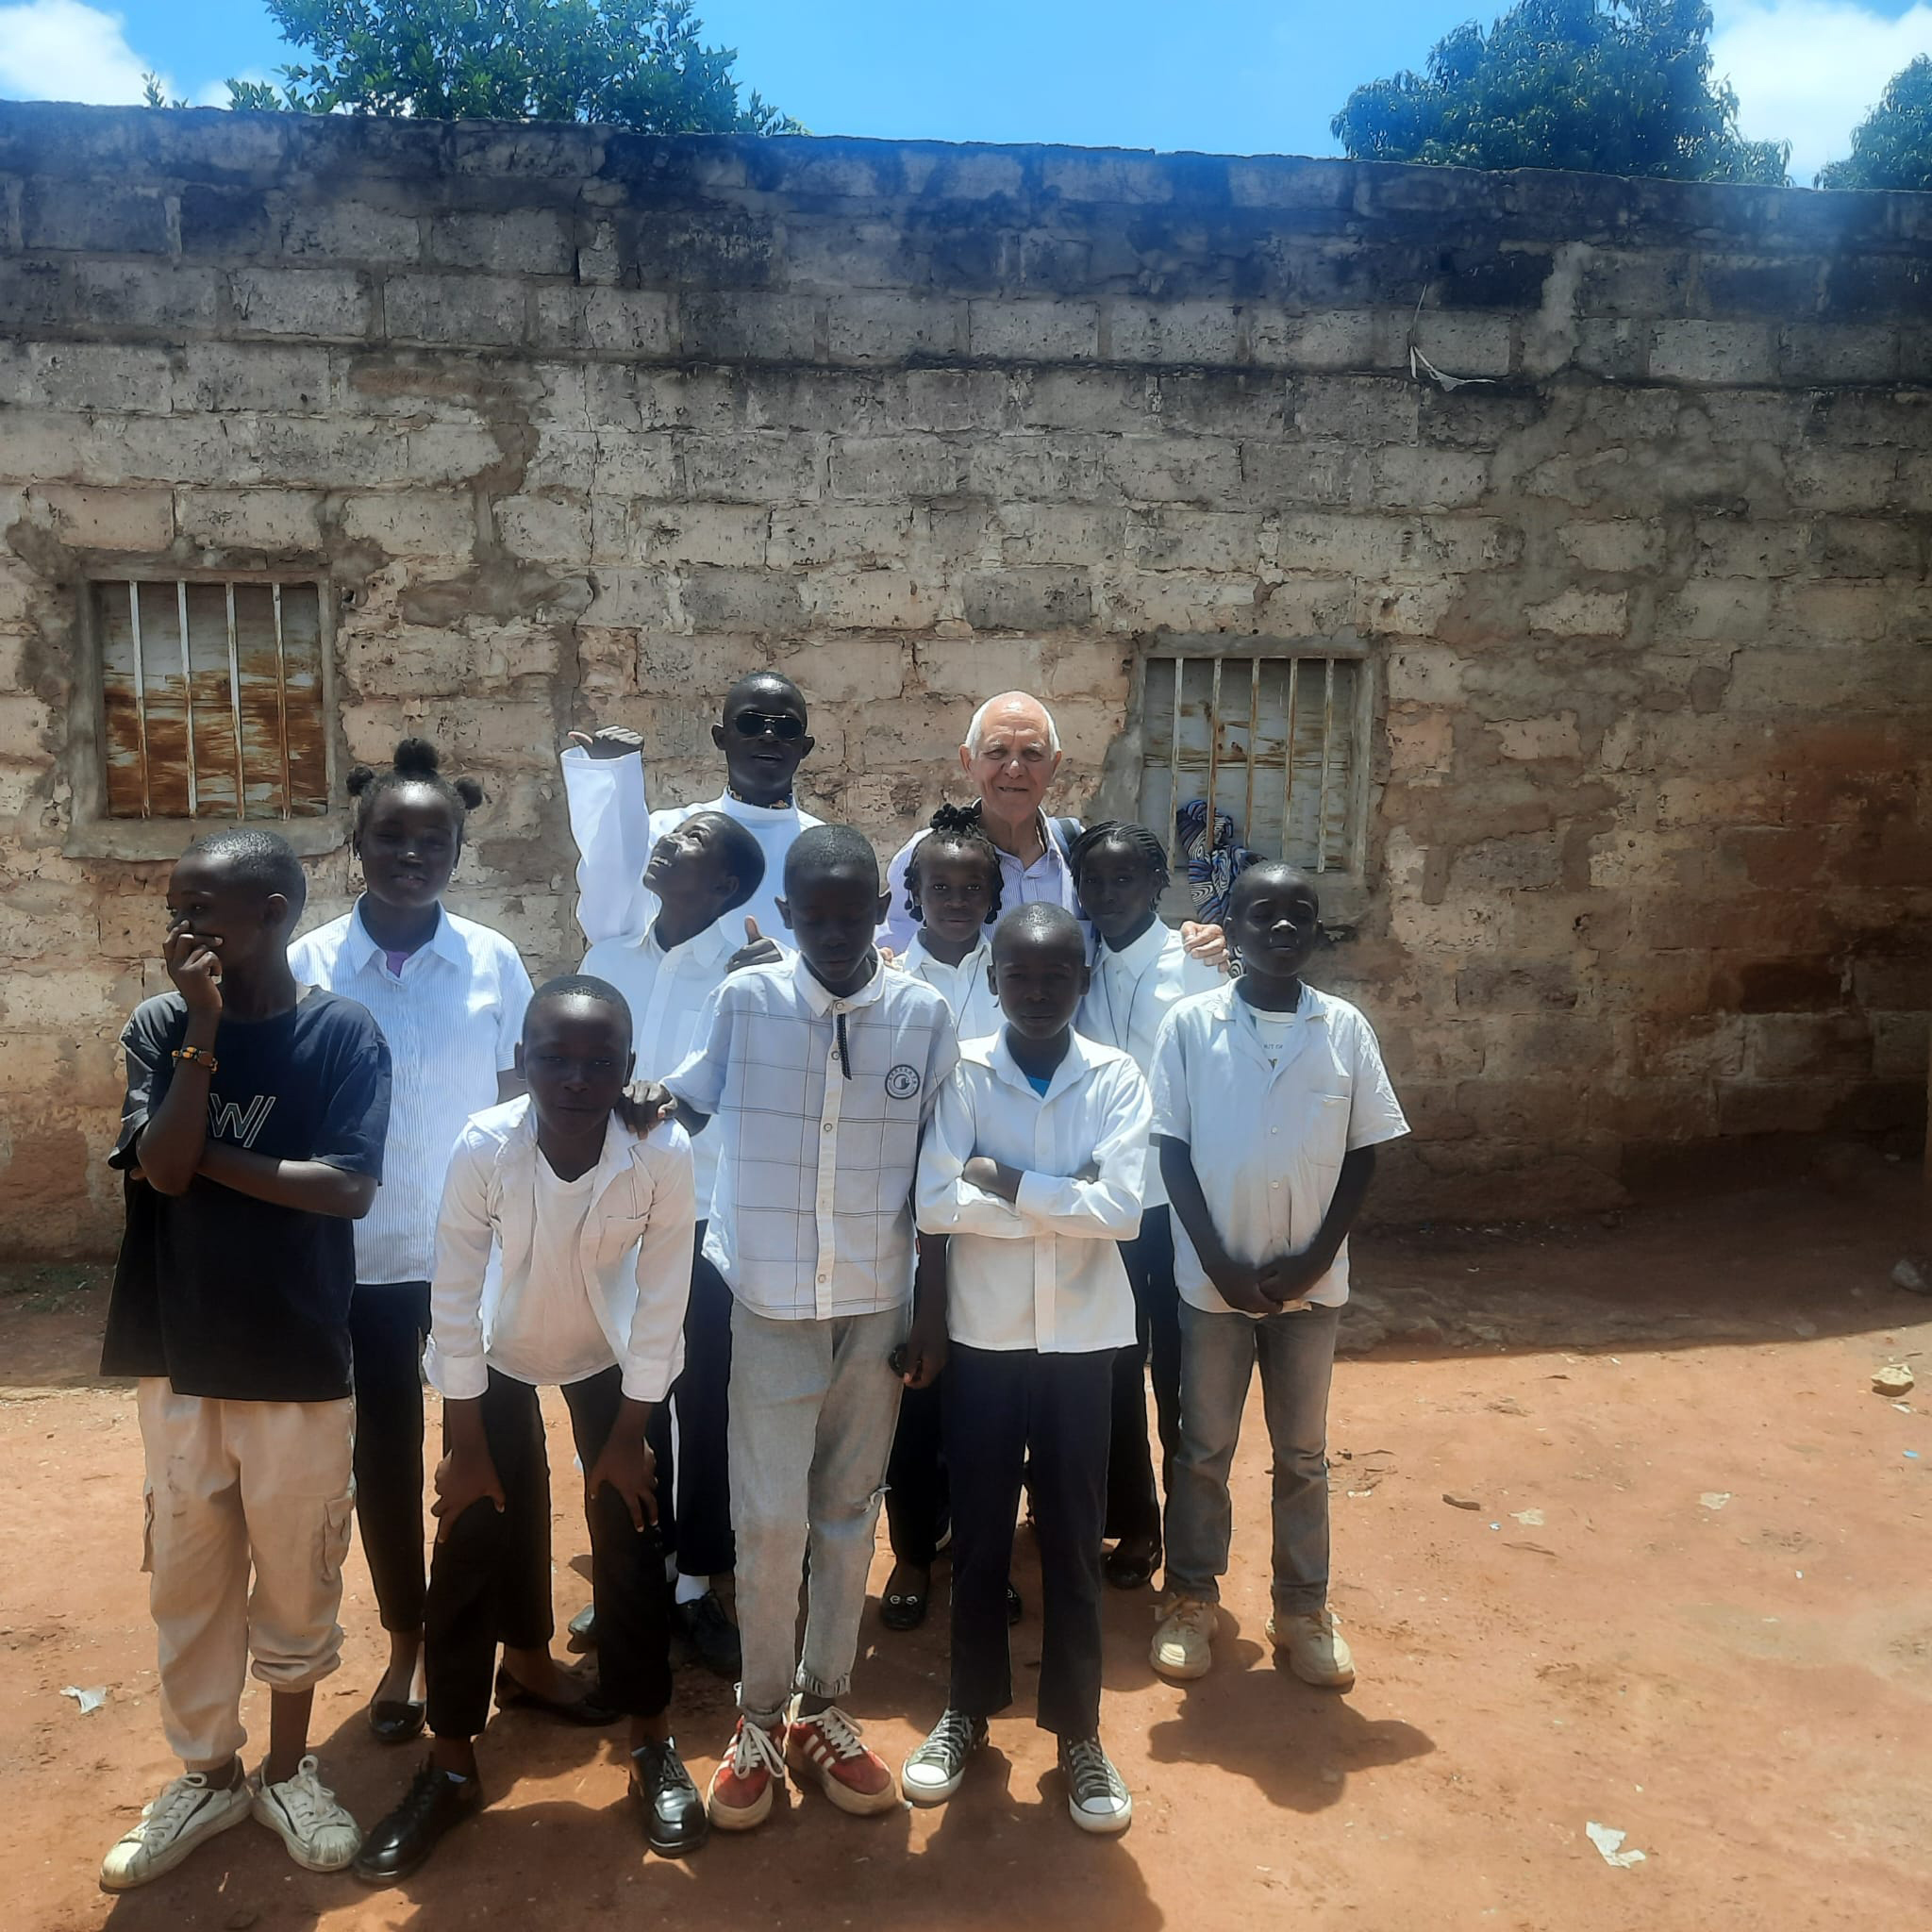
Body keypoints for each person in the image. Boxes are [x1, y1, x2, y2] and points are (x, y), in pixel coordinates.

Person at [353, 977, 705, 1881]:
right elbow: (453, 1296)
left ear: (629, 1069)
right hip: (495, 1357)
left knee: (631, 1530)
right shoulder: (485, 1145)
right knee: (470, 1538)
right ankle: (451, 1763)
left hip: (609, 1357)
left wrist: (630, 1436)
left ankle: (650, 1741)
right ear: (521, 1061)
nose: (577, 1079)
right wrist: (466, 1446)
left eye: (600, 1062)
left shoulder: (659, 1150)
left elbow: (663, 1300)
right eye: (554, 1058)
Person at [98, 830, 391, 1890]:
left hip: (294, 1353)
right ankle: (209, 1773)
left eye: (202, 908)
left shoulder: (340, 1032)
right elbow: (163, 1169)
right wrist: (203, 1029)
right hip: (178, 1348)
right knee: (189, 1578)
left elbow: (346, 1187)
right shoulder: (160, 1024)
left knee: (299, 1571)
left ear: (272, 913)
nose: (182, 927)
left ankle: (285, 1768)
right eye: (175, 907)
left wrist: (200, 1161)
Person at [663, 825, 958, 1831]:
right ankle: (757, 1713)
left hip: (876, 1302)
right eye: (814, 916)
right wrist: (642, 1100)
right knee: (769, 1520)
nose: (834, 932)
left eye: (852, 913)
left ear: (882, 910)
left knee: (847, 1506)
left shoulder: (922, 1013)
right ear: (787, 916)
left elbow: (937, 1167)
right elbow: (692, 1097)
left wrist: (929, 1308)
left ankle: (823, 1703)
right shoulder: (746, 1000)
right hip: (770, 1300)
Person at [288, 738, 533, 1744]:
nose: (412, 854)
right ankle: (409, 1641)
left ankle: (519, 1642)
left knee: (502, 1448)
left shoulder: (490, 961)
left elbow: (522, 1099)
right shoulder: (308, 965)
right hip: (358, 1260)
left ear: (458, 850)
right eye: (391, 835)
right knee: (385, 1458)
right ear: (358, 843)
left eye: (434, 839)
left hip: (477, 1255)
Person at [905, 903, 1149, 1833]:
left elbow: (1122, 1211)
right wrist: (1061, 1198)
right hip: (986, 1338)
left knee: (1074, 1540)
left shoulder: (1115, 1076)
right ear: (993, 977)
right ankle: (967, 1710)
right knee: (977, 1536)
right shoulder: (963, 1072)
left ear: (1082, 980)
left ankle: (1078, 1731)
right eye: (1019, 974)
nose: (1037, 991)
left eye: (1055, 976)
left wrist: (1003, 1180)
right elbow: (934, 1202)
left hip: (1082, 1342)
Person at [1146, 863, 1409, 1690]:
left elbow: (1363, 1153)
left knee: (1302, 1454)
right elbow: (1172, 1150)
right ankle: (1191, 1598)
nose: (1283, 927)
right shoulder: (1191, 1026)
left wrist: (1317, 1256)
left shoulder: (1344, 1029)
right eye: (1263, 913)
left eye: (1301, 913)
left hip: (1311, 1289)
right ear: (1234, 927)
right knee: (1203, 1449)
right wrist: (1217, 1261)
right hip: (1214, 1288)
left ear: (1319, 931)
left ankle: (1302, 1608)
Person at [578, 804, 769, 1676]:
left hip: (701, 1211)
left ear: (725, 883)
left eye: (689, 840)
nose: (665, 843)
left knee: (700, 1399)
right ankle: (637, 1567)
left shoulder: (750, 971)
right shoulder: (609, 959)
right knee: (619, 1390)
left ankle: (698, 1578)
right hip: (608, 1206)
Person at [1068, 821, 1220, 1591]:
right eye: (1093, 881)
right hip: (1111, 1204)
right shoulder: (1079, 966)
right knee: (1116, 1365)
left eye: (1124, 879)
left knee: (1182, 1375)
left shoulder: (1195, 966)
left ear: (1158, 885)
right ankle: (1135, 1520)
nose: (1107, 894)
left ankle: (1192, 1542)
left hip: (1179, 1204)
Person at [878, 802, 1004, 1631]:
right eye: (940, 888)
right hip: (904, 1218)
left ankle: (983, 1557)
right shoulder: (889, 979)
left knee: (988, 1398)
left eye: (972, 888)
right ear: (914, 895)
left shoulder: (1019, 967)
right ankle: (914, 1552)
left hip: (996, 1214)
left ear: (994, 897)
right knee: (914, 1392)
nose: (957, 901)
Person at [878, 690, 1226, 967]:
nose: (1014, 769)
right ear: (969, 762)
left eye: (1032, 754)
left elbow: (1136, 944)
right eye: (997, 752)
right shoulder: (927, 859)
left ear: (1054, 765)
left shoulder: (1082, 855)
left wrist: (1194, 943)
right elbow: (896, 963)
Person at [563, 671, 821, 954]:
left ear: (805, 746)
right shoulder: (667, 833)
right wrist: (615, 783)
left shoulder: (825, 852)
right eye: (750, 723)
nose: (768, 736)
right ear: (720, 737)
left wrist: (783, 969)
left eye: (786, 728)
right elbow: (607, 925)